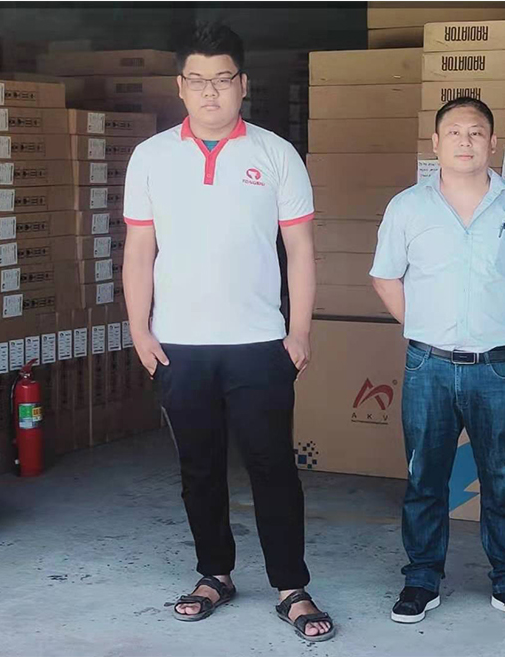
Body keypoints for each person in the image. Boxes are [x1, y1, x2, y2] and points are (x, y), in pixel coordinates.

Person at [122, 22, 334, 642]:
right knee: (199, 468)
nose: (209, 92)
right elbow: (139, 250)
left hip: (259, 344)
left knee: (273, 467)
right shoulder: (151, 157)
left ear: (243, 84)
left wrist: (299, 331)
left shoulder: (276, 154)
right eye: (197, 80)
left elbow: (301, 250)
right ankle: (214, 574)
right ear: (180, 87)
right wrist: (139, 329)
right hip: (178, 346)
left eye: (221, 80)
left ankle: (291, 587)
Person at [370, 97, 505, 625]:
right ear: (435, 143)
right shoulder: (408, 206)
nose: (465, 141)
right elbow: (385, 277)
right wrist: (424, 326)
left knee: (502, 478)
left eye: (476, 132)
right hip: (427, 365)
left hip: (497, 367)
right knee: (424, 477)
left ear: (493, 143)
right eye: (454, 132)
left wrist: (497, 323)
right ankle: (421, 579)